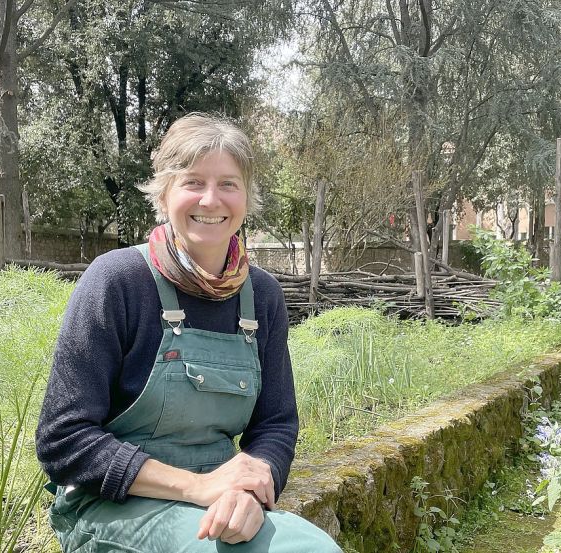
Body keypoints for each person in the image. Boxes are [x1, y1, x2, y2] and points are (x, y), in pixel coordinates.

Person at [36, 113, 342, 552]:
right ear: (164, 193)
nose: (211, 200)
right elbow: (62, 439)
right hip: (110, 505)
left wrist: (252, 489)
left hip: (219, 498)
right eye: (193, 182)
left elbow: (275, 424)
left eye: (228, 184)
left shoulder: (263, 296)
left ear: (246, 198)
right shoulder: (118, 280)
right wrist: (197, 488)